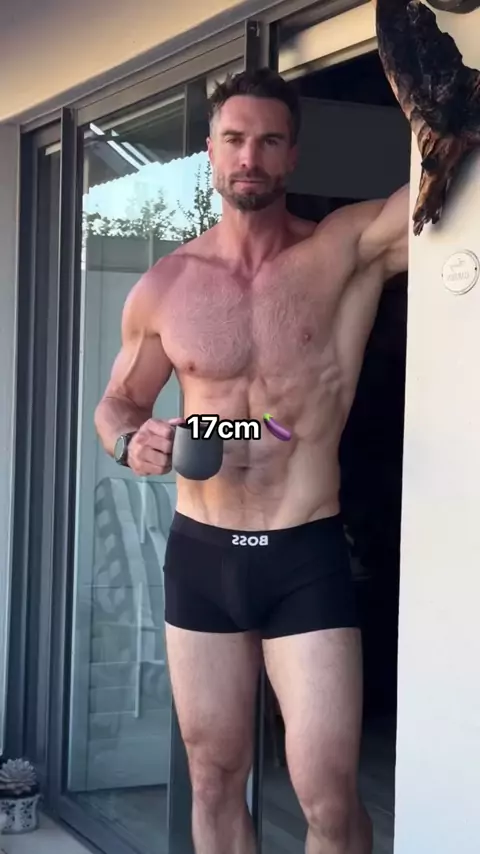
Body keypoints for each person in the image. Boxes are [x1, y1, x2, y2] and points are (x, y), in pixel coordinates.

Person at [94, 67, 409, 854]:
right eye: (234, 139)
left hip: (305, 555)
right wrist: (132, 442)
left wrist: (443, 109)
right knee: (212, 776)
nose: (250, 157)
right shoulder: (166, 287)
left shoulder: (342, 250)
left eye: (270, 141)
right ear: (210, 150)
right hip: (202, 556)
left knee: (328, 794)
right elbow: (118, 405)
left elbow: (439, 196)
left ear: (293, 155)